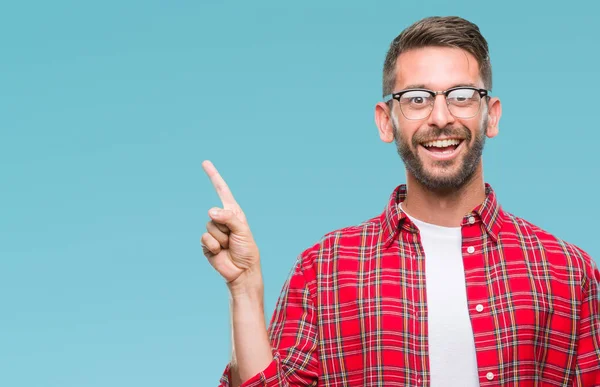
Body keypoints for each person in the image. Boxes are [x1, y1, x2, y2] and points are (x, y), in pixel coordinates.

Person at [201, 16, 600, 387]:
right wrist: (244, 287)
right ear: (385, 120)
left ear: (490, 116)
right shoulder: (324, 270)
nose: (441, 117)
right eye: (416, 98)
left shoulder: (567, 272)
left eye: (461, 96)